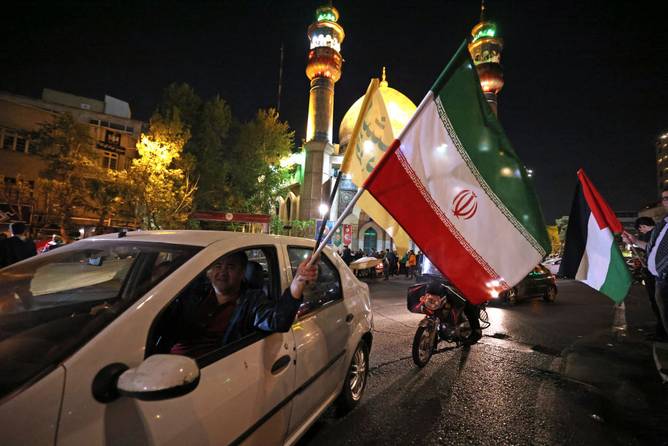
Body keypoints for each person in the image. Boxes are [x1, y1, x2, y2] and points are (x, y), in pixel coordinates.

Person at [167, 251, 318, 358]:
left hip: (210, 372)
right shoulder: (193, 293)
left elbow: (277, 320)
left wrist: (298, 282)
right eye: (218, 266)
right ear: (209, 271)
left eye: (231, 267)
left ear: (242, 272)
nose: (223, 272)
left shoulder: (251, 301)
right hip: (168, 364)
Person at [624, 214, 668, 340]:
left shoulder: (656, 232)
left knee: (661, 307)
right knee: (660, 306)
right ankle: (661, 332)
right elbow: (651, 249)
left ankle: (662, 334)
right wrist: (635, 241)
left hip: (661, 276)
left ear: (643, 226)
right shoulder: (661, 227)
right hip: (658, 276)